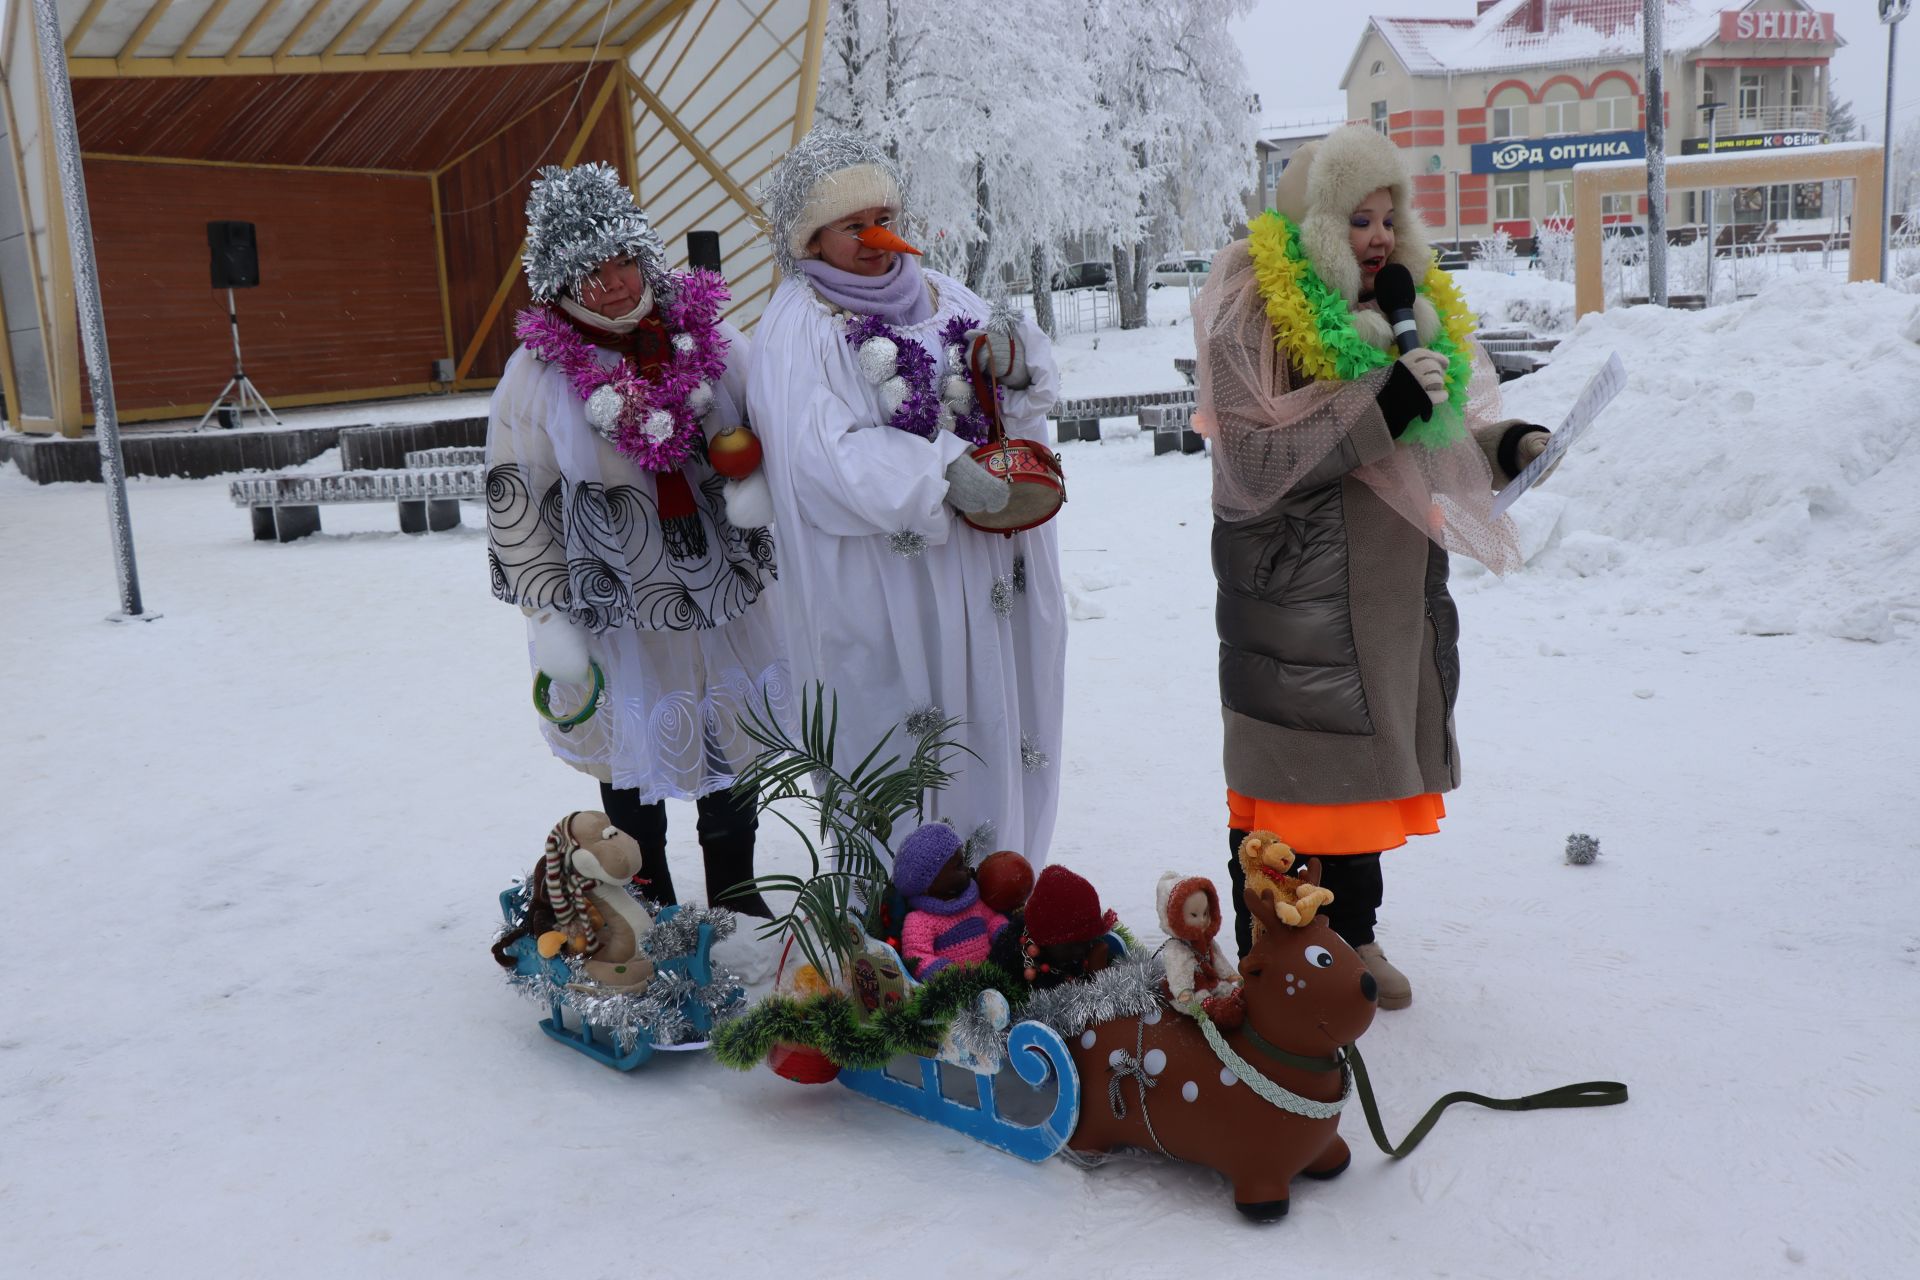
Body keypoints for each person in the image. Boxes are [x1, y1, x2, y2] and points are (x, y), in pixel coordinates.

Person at [1194, 125, 1554, 1008]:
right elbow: (1256, 458)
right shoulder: (1260, 313)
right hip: (1299, 591)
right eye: (1358, 219)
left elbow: (1431, 434)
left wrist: (1507, 447)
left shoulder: (1400, 317)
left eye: (1389, 217)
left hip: (1383, 592)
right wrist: (1384, 402)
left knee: (1359, 781)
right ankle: (1273, 954)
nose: (1381, 237)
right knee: (1295, 787)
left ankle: (1350, 938)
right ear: (1315, 226)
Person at [746, 127, 1067, 864]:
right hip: (889, 586)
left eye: (885, 216)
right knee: (902, 736)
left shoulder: (944, 293)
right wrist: (939, 475)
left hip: (985, 572)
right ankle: (902, 918)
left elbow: (1009, 397)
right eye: (853, 226)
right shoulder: (799, 328)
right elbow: (818, 458)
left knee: (992, 722)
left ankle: (1003, 886)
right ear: (810, 240)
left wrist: (1014, 369)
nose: (877, 237)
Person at [485, 162, 786, 917]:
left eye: (625, 261)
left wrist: (756, 486)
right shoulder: (536, 376)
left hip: (720, 595)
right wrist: (545, 613)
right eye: (593, 274)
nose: (618, 284)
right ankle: (646, 908)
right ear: (558, 284)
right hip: (612, 608)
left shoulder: (710, 341)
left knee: (727, 753)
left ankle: (738, 906)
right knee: (631, 762)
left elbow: (766, 428)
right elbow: (516, 497)